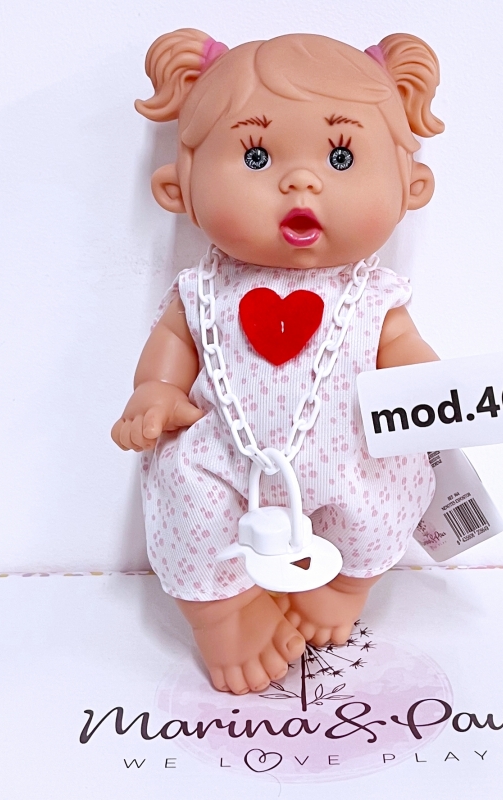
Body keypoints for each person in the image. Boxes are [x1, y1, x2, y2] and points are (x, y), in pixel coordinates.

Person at [112, 29, 444, 695]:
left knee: (384, 496)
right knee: (190, 497)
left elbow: (408, 355)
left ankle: (343, 587)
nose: (301, 180)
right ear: (178, 188)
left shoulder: (374, 296)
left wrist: (433, 392)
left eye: (342, 157)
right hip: (225, 458)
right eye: (256, 155)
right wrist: (155, 390)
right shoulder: (204, 291)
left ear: (411, 187)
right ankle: (226, 614)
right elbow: (173, 345)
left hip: (349, 457)